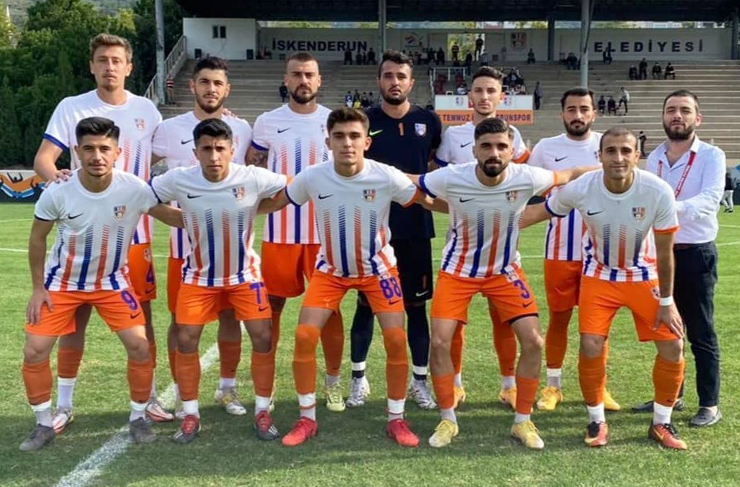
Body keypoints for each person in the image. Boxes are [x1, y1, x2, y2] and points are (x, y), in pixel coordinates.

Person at [258, 107, 434, 448]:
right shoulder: (313, 176)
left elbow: (425, 201)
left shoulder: (386, 176)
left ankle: (396, 419)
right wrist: (237, 207)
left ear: (366, 142)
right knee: (305, 335)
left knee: (396, 339)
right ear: (328, 142)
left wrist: (469, 206)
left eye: (354, 136)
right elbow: (276, 202)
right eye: (339, 136)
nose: (347, 143)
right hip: (331, 272)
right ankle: (307, 418)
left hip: (379, 271)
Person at [420, 117, 597, 449]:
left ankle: (522, 421)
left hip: (504, 271)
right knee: (440, 342)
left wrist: (614, 169)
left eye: (501, 146)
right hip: (458, 271)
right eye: (486, 146)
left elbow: (569, 174)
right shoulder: (451, 177)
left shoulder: (526, 176)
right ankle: (448, 420)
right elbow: (413, 186)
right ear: (474, 150)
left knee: (533, 341)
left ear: (512, 150)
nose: (494, 153)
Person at [19, 117, 183, 451]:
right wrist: (38, 289)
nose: (97, 156)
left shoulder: (134, 188)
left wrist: (219, 209)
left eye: (105, 148)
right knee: (34, 350)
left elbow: (170, 216)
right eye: (89, 149)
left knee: (139, 345)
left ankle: (138, 417)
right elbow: (37, 239)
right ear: (77, 151)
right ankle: (44, 423)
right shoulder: (58, 191)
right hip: (62, 283)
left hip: (112, 282)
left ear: (117, 152)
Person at [32, 33, 169, 431]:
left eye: (116, 60)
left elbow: (168, 150)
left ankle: (149, 396)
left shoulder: (146, 110)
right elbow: (44, 159)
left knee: (142, 320)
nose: (110, 66)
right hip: (83, 233)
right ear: (92, 66)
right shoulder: (72, 107)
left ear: (129, 67)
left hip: (134, 234)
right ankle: (64, 404)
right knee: (73, 321)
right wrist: (58, 184)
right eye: (102, 60)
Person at [522, 126, 687, 450]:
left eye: (626, 151)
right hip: (599, 276)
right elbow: (541, 211)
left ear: (637, 155)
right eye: (611, 151)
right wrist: (495, 218)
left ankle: (661, 422)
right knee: (591, 345)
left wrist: (667, 301)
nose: (618, 158)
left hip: (644, 276)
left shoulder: (657, 190)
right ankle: (596, 420)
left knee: (673, 345)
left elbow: (666, 252)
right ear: (600, 156)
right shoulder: (583, 186)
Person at [150, 118, 283, 444]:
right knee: (186, 339)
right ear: (195, 152)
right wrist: (180, 218)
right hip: (198, 277)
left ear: (231, 149)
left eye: (220, 148)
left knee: (263, 337)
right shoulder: (179, 178)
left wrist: (255, 209)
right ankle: (191, 414)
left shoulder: (251, 177)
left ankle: (262, 411)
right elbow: (145, 196)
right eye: (206, 149)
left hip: (245, 276)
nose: (213, 156)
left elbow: (291, 189)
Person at [151, 56, 253, 418]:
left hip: (230, 252)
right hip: (184, 251)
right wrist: (175, 218)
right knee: (181, 323)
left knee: (230, 319)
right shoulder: (167, 129)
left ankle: (228, 388)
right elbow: (140, 179)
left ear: (228, 89)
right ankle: (183, 391)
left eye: (218, 83)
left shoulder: (242, 129)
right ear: (192, 85)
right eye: (205, 82)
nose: (211, 89)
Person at [246, 52, 346, 411]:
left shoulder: (333, 121)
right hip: (280, 233)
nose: (303, 81)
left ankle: (333, 382)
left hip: (324, 236)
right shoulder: (267, 122)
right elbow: (251, 166)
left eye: (309, 74)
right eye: (297, 74)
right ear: (286, 80)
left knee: (330, 310)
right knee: (271, 308)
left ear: (319, 80)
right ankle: (267, 385)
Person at [347, 50, 442, 409]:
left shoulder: (428, 121)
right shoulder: (365, 120)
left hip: (416, 228)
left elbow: (433, 164)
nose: (394, 82)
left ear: (411, 82)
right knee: (366, 306)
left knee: (416, 308)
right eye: (388, 76)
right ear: (379, 81)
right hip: (372, 230)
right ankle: (358, 380)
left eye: (401, 76)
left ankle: (419, 382)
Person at [434, 66, 530, 410]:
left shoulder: (513, 135)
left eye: (491, 90)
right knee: (454, 323)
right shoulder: (453, 136)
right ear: (469, 96)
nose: (485, 96)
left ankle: (508, 385)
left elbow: (519, 181)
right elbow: (439, 184)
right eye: (479, 90)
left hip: (503, 249)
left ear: (502, 96)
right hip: (461, 248)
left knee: (504, 319)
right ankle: (456, 383)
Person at [634, 90, 725, 427]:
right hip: (661, 253)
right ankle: (672, 395)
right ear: (662, 117)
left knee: (700, 332)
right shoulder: (655, 156)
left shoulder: (712, 155)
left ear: (697, 118)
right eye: (671, 110)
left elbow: (709, 201)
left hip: (695, 253)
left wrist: (666, 209)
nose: (677, 115)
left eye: (685, 110)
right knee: (669, 331)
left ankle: (710, 404)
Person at [527, 87, 619, 412]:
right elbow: (531, 189)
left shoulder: (608, 145)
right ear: (562, 113)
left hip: (602, 254)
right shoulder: (546, 148)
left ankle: (599, 387)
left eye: (584, 109)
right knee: (559, 319)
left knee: (598, 324)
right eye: (571, 109)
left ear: (594, 113)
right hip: (560, 251)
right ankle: (553, 387)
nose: (577, 115)